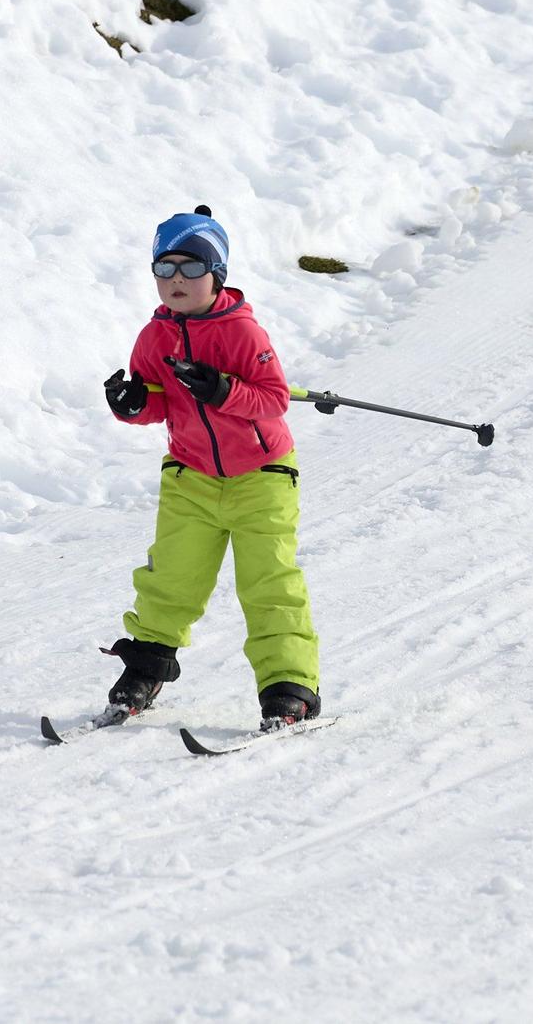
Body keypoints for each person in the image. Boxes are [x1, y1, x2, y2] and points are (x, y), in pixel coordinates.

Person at [100, 205, 322, 727]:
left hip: (262, 476)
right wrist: (130, 404)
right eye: (166, 268)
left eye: (193, 267)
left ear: (216, 274)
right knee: (171, 578)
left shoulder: (242, 333)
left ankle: (289, 685)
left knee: (268, 582)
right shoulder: (153, 338)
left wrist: (224, 390)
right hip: (190, 476)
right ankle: (148, 664)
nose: (178, 280)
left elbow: (272, 401)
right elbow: (157, 402)